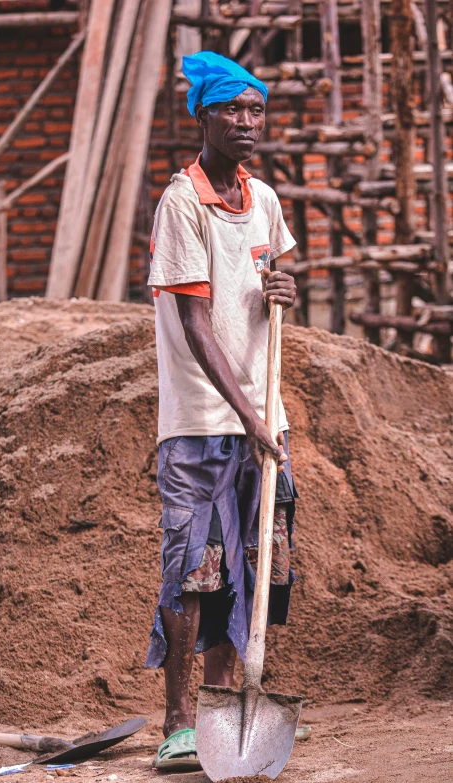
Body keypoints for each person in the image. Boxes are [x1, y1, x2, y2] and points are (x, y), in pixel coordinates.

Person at [146, 51, 299, 772]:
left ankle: (223, 703)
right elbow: (196, 326)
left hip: (263, 417)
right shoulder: (181, 202)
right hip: (204, 423)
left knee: (254, 567)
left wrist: (282, 289)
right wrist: (247, 415)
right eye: (231, 110)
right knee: (193, 570)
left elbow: (266, 278)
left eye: (255, 109)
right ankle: (179, 722)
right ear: (203, 117)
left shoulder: (263, 199)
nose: (246, 122)